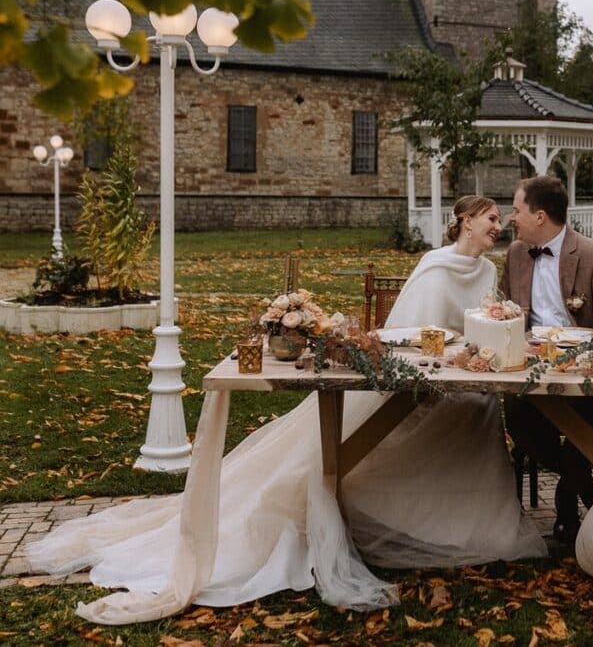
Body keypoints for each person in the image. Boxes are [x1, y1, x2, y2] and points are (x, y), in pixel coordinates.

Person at [28, 195, 546, 622]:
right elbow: (410, 336)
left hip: (466, 377)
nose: (498, 226)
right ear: (464, 222)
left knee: (482, 409)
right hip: (416, 378)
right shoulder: (434, 269)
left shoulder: (487, 273)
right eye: (490, 219)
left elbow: (484, 327)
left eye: (502, 219)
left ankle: (464, 521)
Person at [499, 175, 593, 544]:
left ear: (540, 216)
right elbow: (507, 314)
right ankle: (586, 489)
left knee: (580, 422)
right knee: (519, 420)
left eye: (517, 210)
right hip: (528, 370)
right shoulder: (516, 254)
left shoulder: (592, 256)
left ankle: (567, 501)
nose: (511, 218)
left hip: (582, 374)